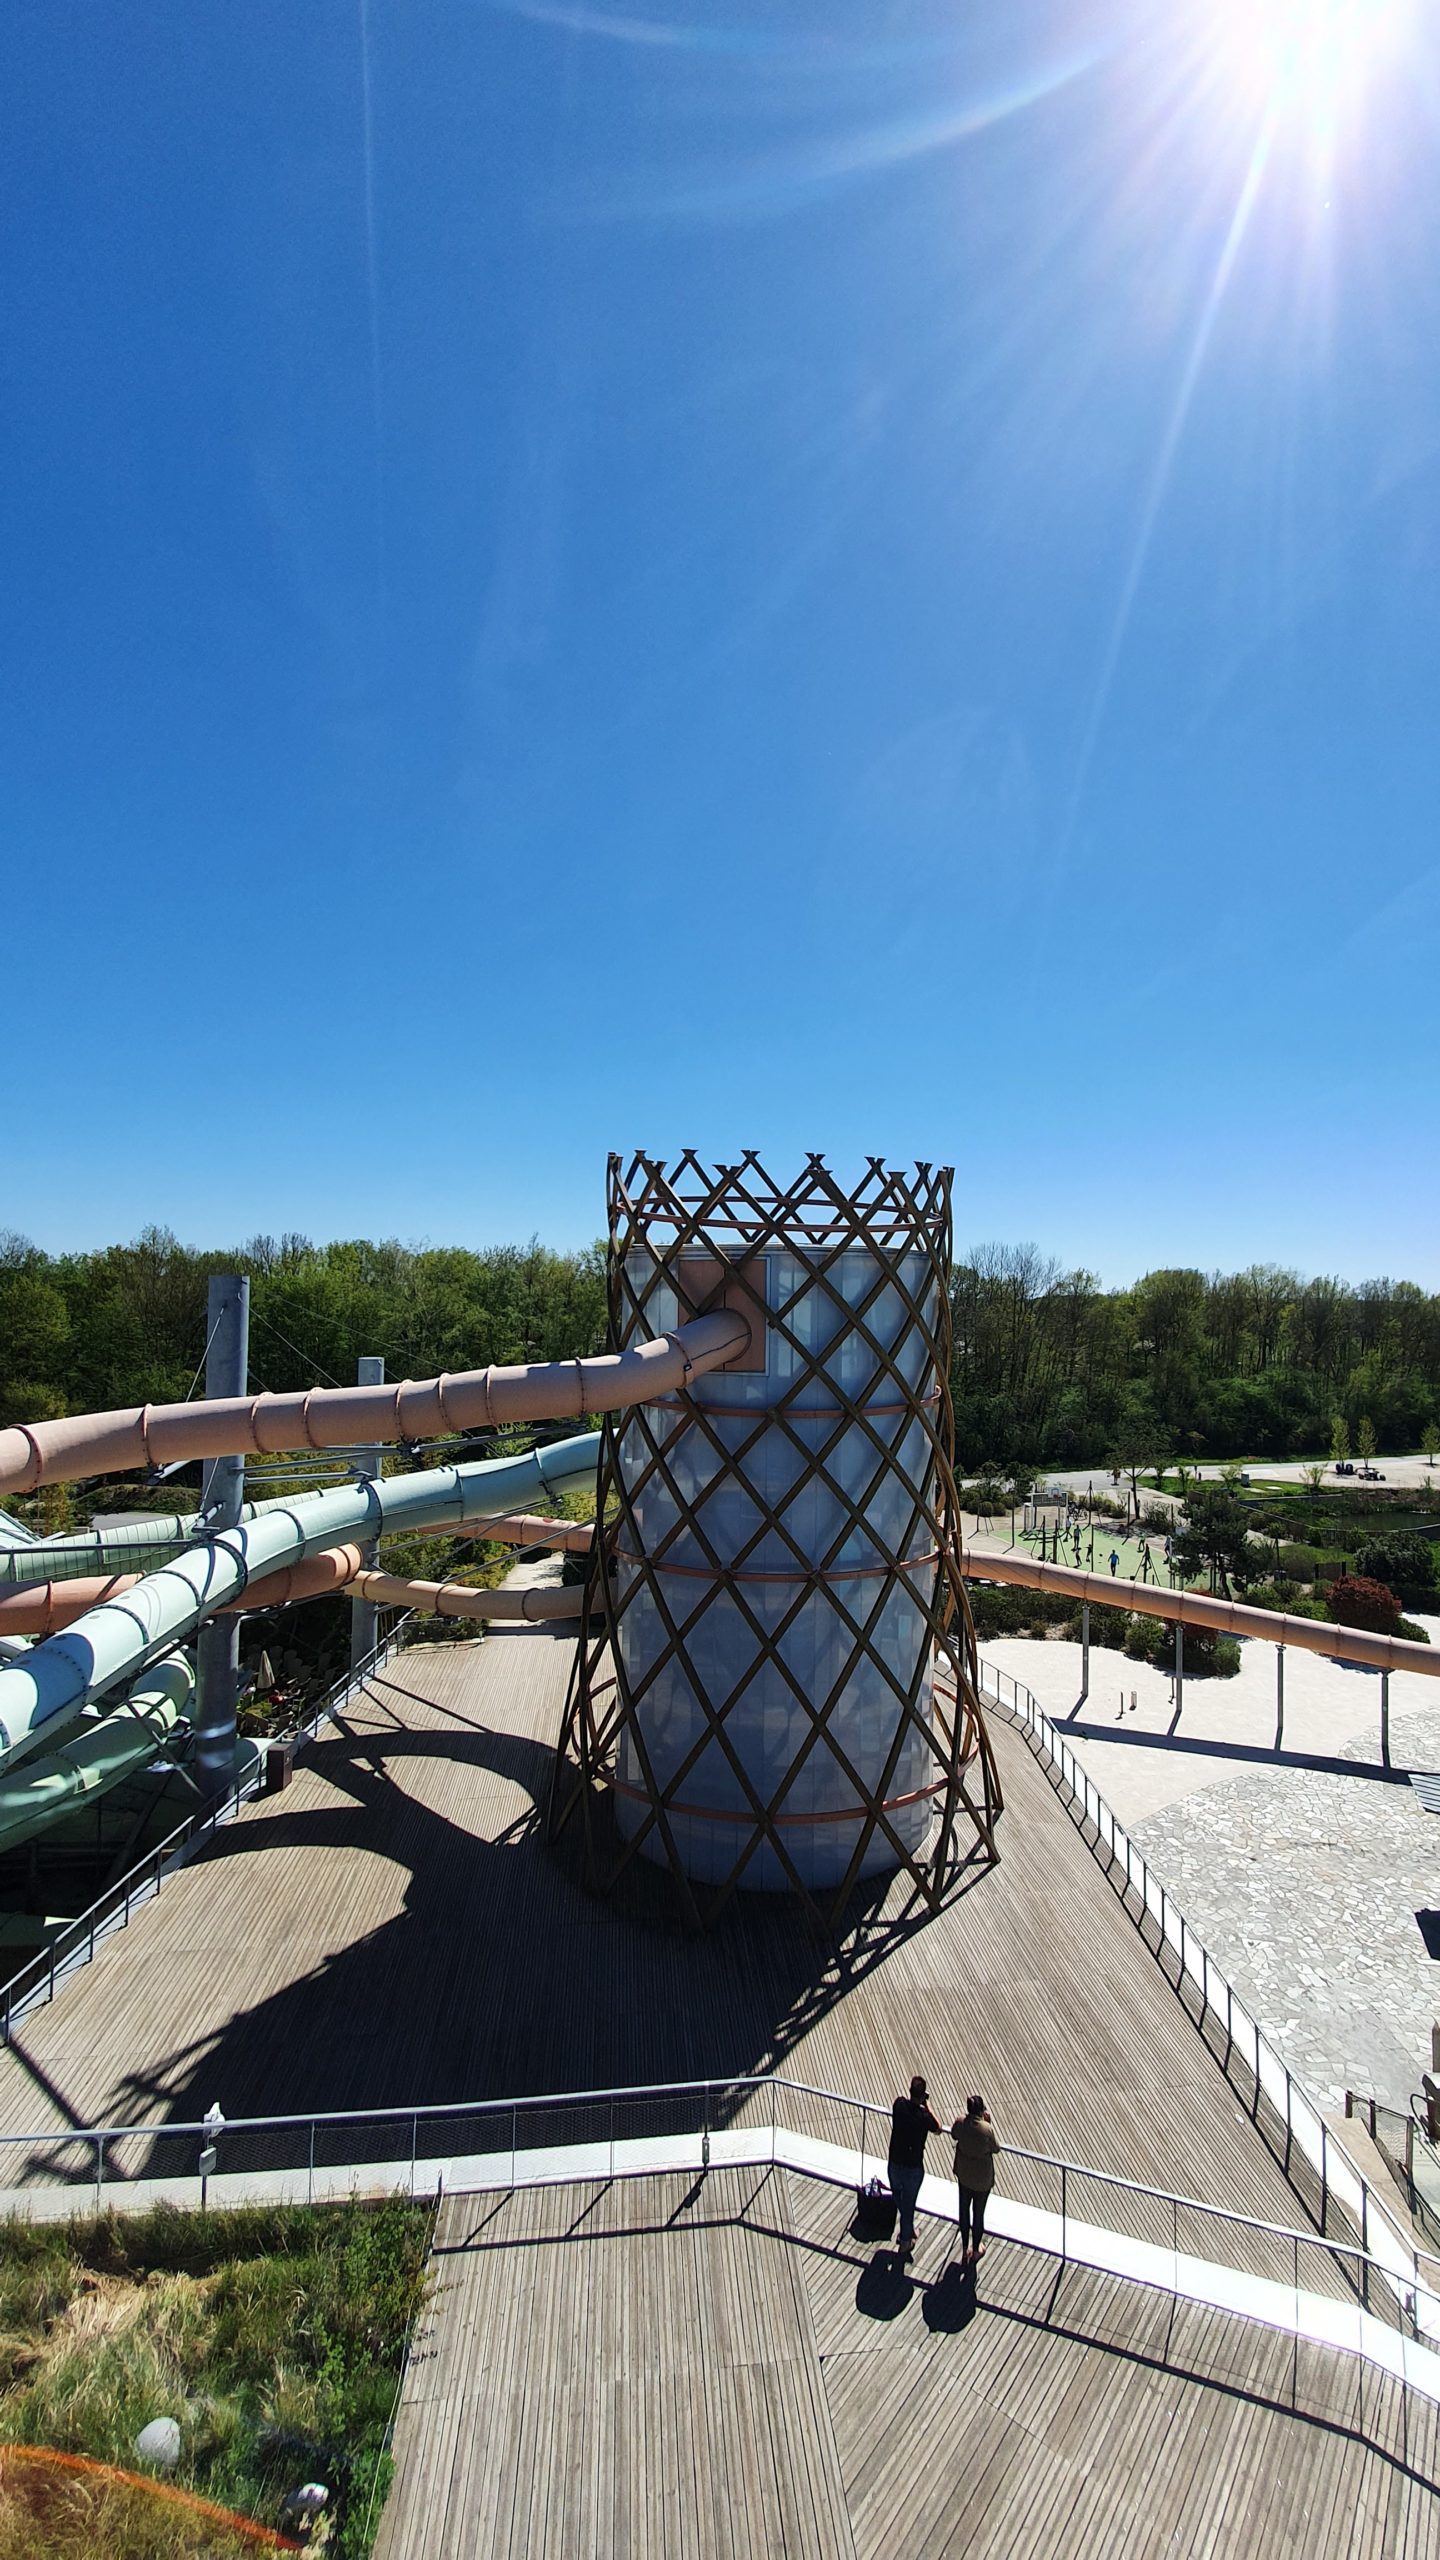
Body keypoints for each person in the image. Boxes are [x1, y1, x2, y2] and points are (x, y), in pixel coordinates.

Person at [887, 2074, 941, 2260]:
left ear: (910, 2091)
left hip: (894, 2162)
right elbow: (938, 2128)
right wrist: (928, 2106)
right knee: (908, 2203)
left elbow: (901, 2104)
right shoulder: (924, 2116)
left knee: (900, 2199)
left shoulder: (899, 2105)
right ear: (923, 2095)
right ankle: (905, 2242)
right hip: (912, 2168)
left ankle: (907, 2231)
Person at [951, 2094, 1000, 2266]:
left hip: (964, 2176)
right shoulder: (986, 2129)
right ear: (981, 2110)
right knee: (978, 2214)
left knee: (964, 2211)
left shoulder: (960, 2122)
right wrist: (989, 2122)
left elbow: (954, 2134)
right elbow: (996, 2148)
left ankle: (965, 2249)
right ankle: (976, 2248)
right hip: (981, 2180)